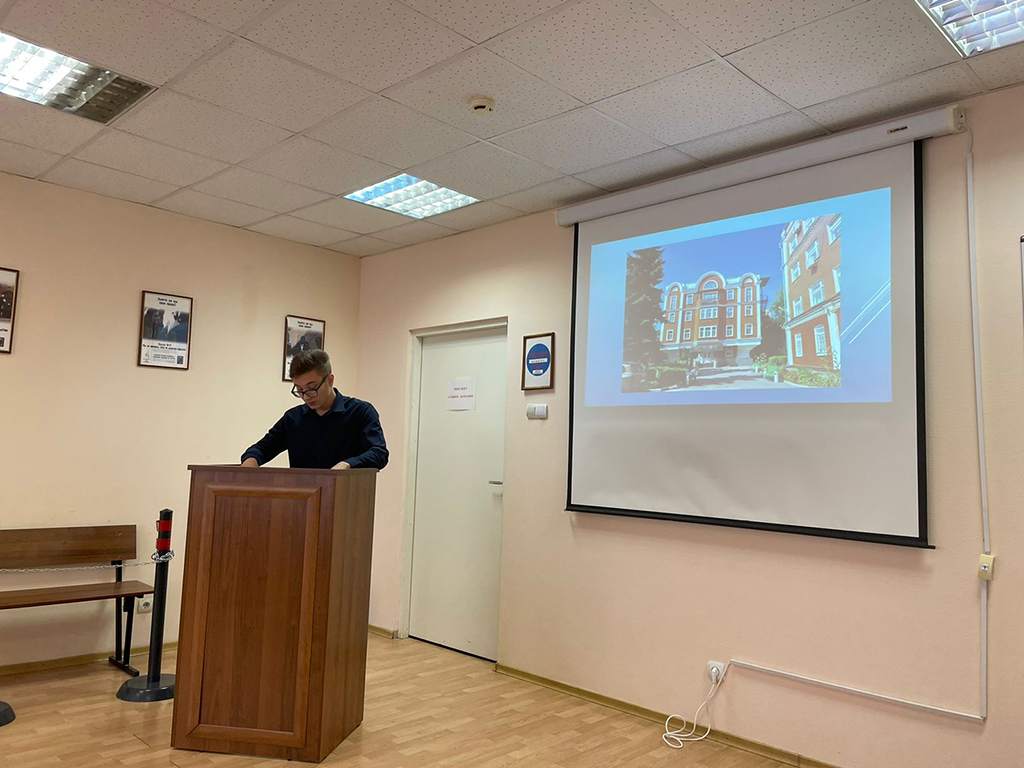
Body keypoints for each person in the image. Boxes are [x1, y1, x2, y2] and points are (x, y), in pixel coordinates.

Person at [241, 350, 388, 470]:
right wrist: (250, 462)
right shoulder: (293, 418)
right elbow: (261, 449)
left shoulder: (361, 412)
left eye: (312, 388)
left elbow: (379, 453)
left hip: (348, 494)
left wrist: (348, 464)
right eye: (300, 390)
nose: (306, 397)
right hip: (304, 495)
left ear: (330, 380)